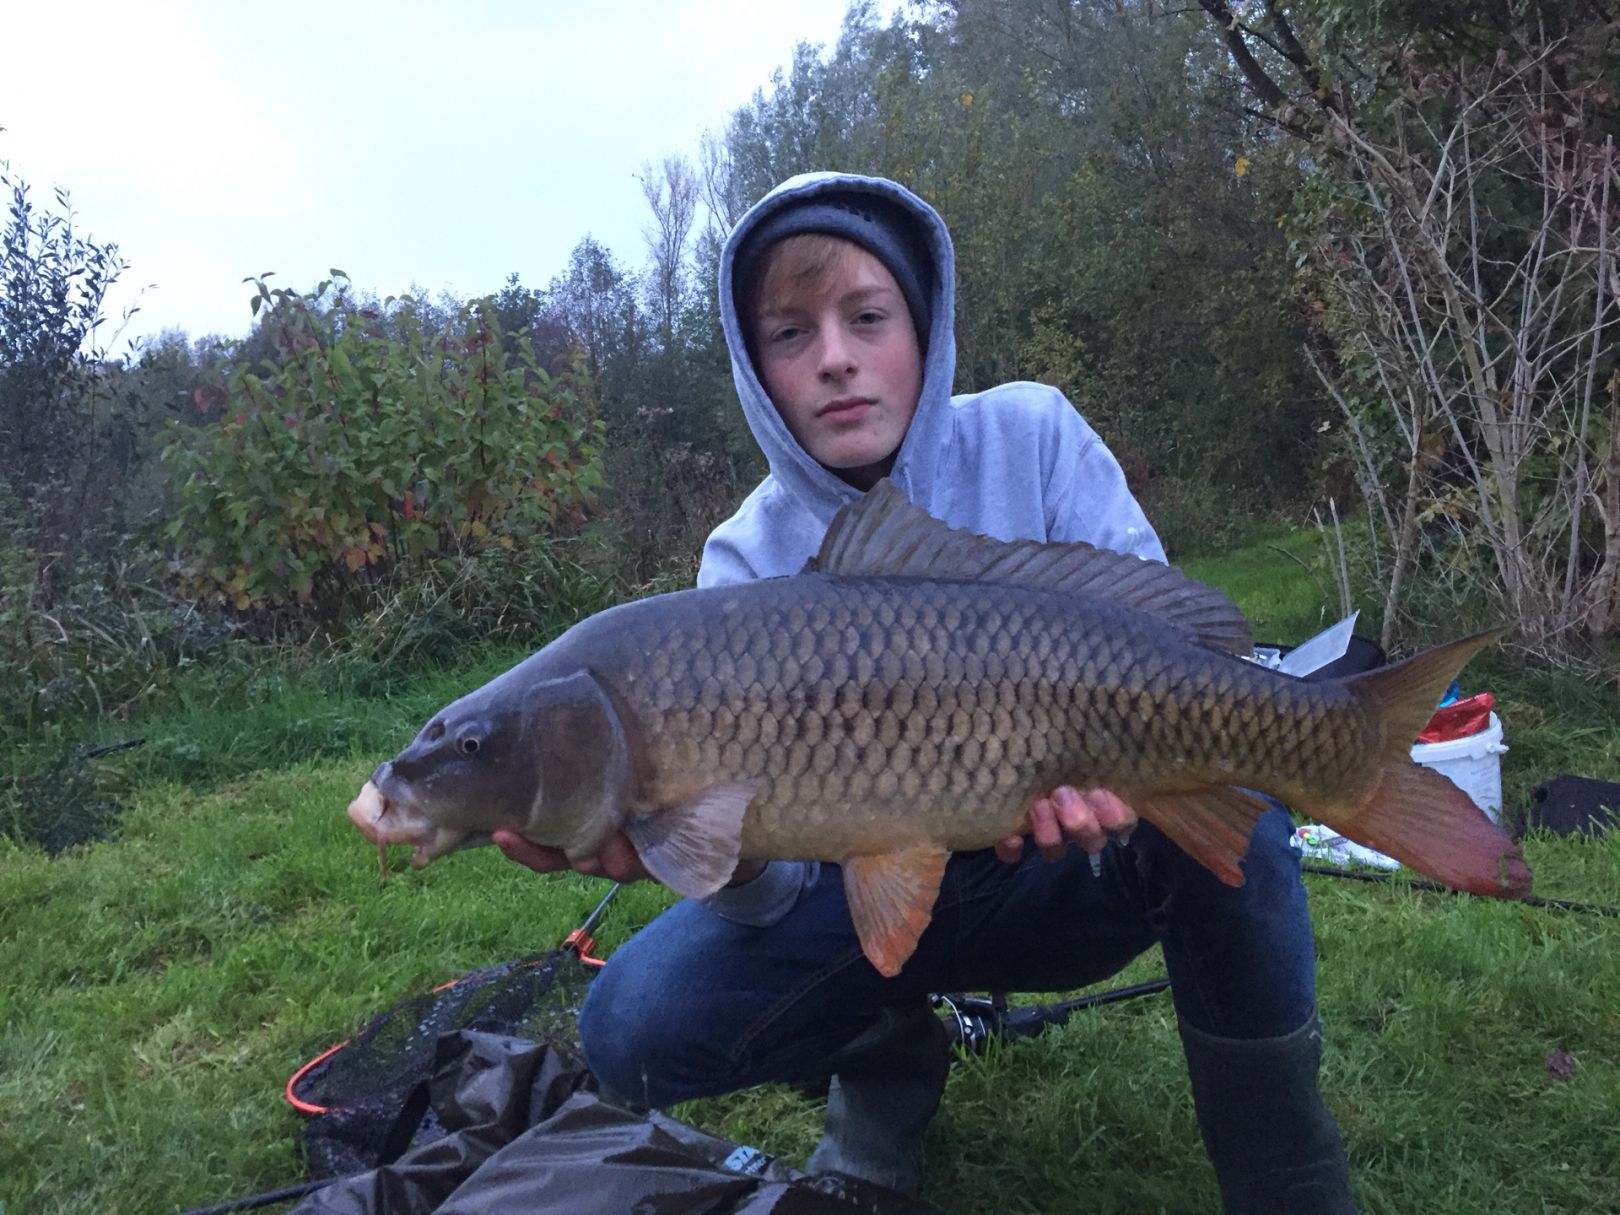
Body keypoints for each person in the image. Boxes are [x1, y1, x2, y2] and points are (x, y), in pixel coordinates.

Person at [493, 172, 1356, 1213]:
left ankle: (1290, 1181)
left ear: (925, 325)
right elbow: (766, 902)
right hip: (851, 892)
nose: (836, 358)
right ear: (753, 367)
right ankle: (887, 1056)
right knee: (631, 1022)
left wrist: (1120, 789)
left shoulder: (1032, 436)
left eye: (867, 318)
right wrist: (694, 845)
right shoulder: (742, 560)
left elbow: (1183, 652)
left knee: (1245, 822)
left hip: (1062, 867)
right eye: (790, 334)